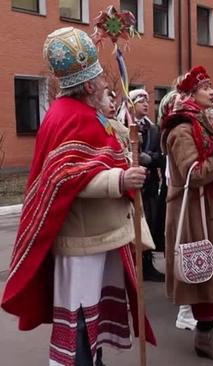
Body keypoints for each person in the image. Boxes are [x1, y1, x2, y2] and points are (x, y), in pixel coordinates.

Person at [1, 27, 156, 365]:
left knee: (94, 319)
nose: (104, 82)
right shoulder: (66, 117)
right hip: (82, 242)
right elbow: (65, 178)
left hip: (100, 238)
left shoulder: (89, 114)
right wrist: (121, 179)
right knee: (83, 322)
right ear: (87, 85)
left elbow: (96, 159)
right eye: (99, 77)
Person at [162, 65, 213, 360]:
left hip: (212, 207)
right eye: (205, 87)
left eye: (212, 85)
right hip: (196, 213)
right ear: (189, 93)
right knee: (205, 276)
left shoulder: (206, 120)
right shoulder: (181, 128)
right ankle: (203, 337)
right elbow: (194, 174)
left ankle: (210, 332)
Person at [119, 89, 166, 282]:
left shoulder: (153, 129)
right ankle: (131, 265)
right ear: (131, 105)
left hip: (150, 185)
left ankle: (147, 264)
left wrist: (151, 158)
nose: (146, 105)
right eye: (141, 102)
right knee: (133, 225)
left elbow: (160, 156)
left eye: (148, 102)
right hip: (132, 184)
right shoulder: (123, 125)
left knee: (150, 223)